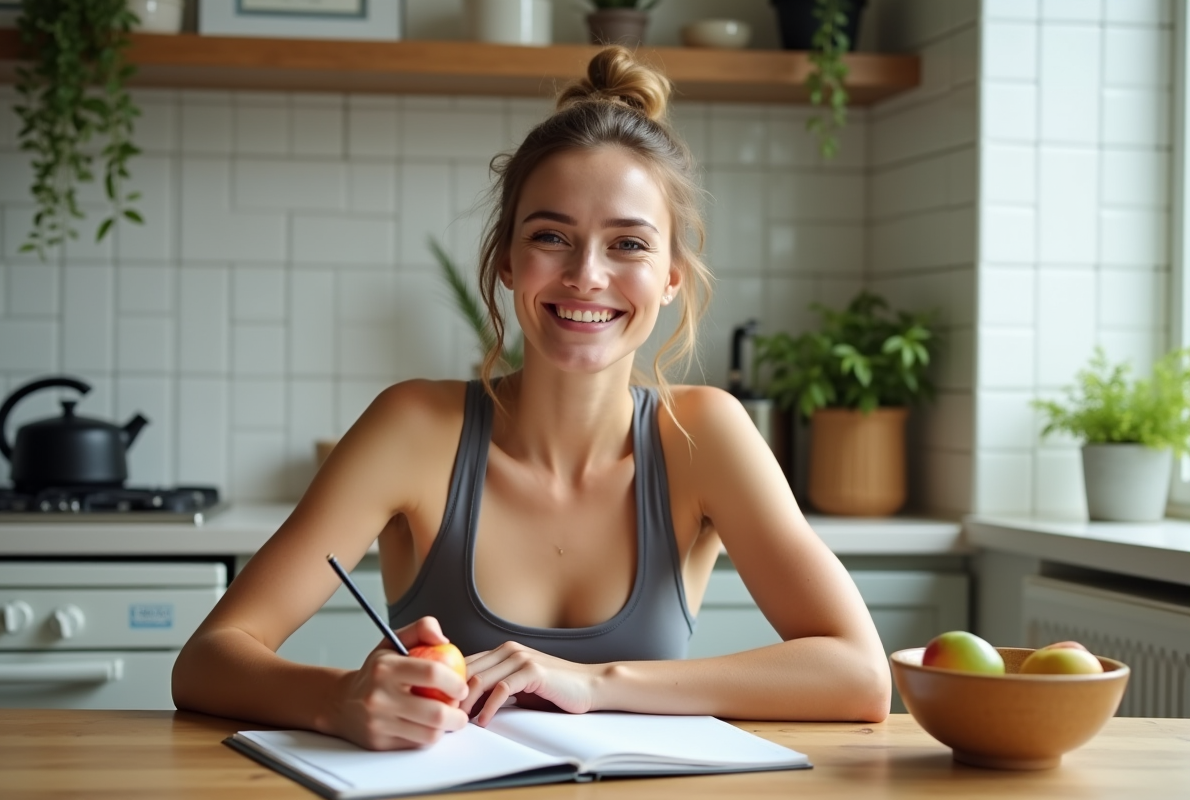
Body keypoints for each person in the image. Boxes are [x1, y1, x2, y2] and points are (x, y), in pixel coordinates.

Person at [171, 45, 890, 751]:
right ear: (508, 263)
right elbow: (207, 660)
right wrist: (336, 700)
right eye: (552, 236)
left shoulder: (703, 433)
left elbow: (860, 675)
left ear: (672, 276)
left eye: (629, 245)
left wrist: (594, 681)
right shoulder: (414, 428)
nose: (586, 275)